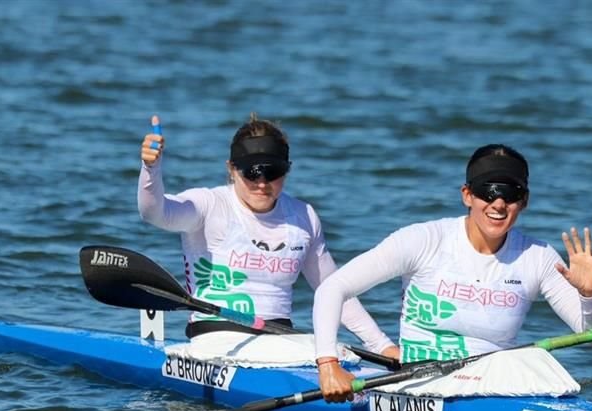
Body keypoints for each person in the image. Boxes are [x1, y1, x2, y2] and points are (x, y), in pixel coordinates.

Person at [313, 143, 592, 401]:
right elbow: (331, 289)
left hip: (493, 385)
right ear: (467, 195)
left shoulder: (538, 257)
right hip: (419, 381)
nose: (498, 203)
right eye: (487, 191)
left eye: (510, 193)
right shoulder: (424, 240)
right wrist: (329, 365)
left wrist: (589, 295)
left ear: (524, 201)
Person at [138, 113, 399, 359]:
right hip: (216, 340)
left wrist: (383, 346)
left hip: (281, 341)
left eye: (272, 172)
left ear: (287, 170)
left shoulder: (303, 216)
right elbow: (155, 213)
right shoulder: (210, 205)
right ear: (231, 169)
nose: (262, 182)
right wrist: (151, 169)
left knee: (338, 354)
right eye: (251, 171)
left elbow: (333, 289)